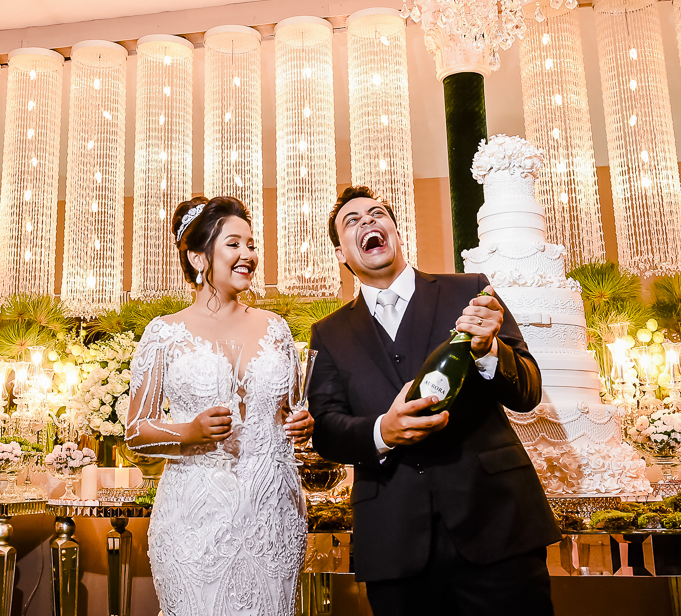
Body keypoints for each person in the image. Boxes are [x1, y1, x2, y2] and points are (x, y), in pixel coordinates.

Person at [307, 186, 561, 616]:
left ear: (394, 230)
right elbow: (326, 429)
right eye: (352, 221)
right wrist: (381, 432)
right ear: (340, 254)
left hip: (497, 525)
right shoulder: (328, 333)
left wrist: (488, 351)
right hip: (395, 543)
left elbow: (528, 391)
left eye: (377, 214)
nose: (368, 222)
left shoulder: (470, 290)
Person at [124, 195, 314, 616]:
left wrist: (304, 423)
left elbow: (293, 409)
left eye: (250, 244)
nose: (248, 254)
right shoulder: (165, 334)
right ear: (197, 257)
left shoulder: (276, 329)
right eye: (234, 244)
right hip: (195, 517)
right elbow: (135, 431)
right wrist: (189, 431)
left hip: (272, 515)